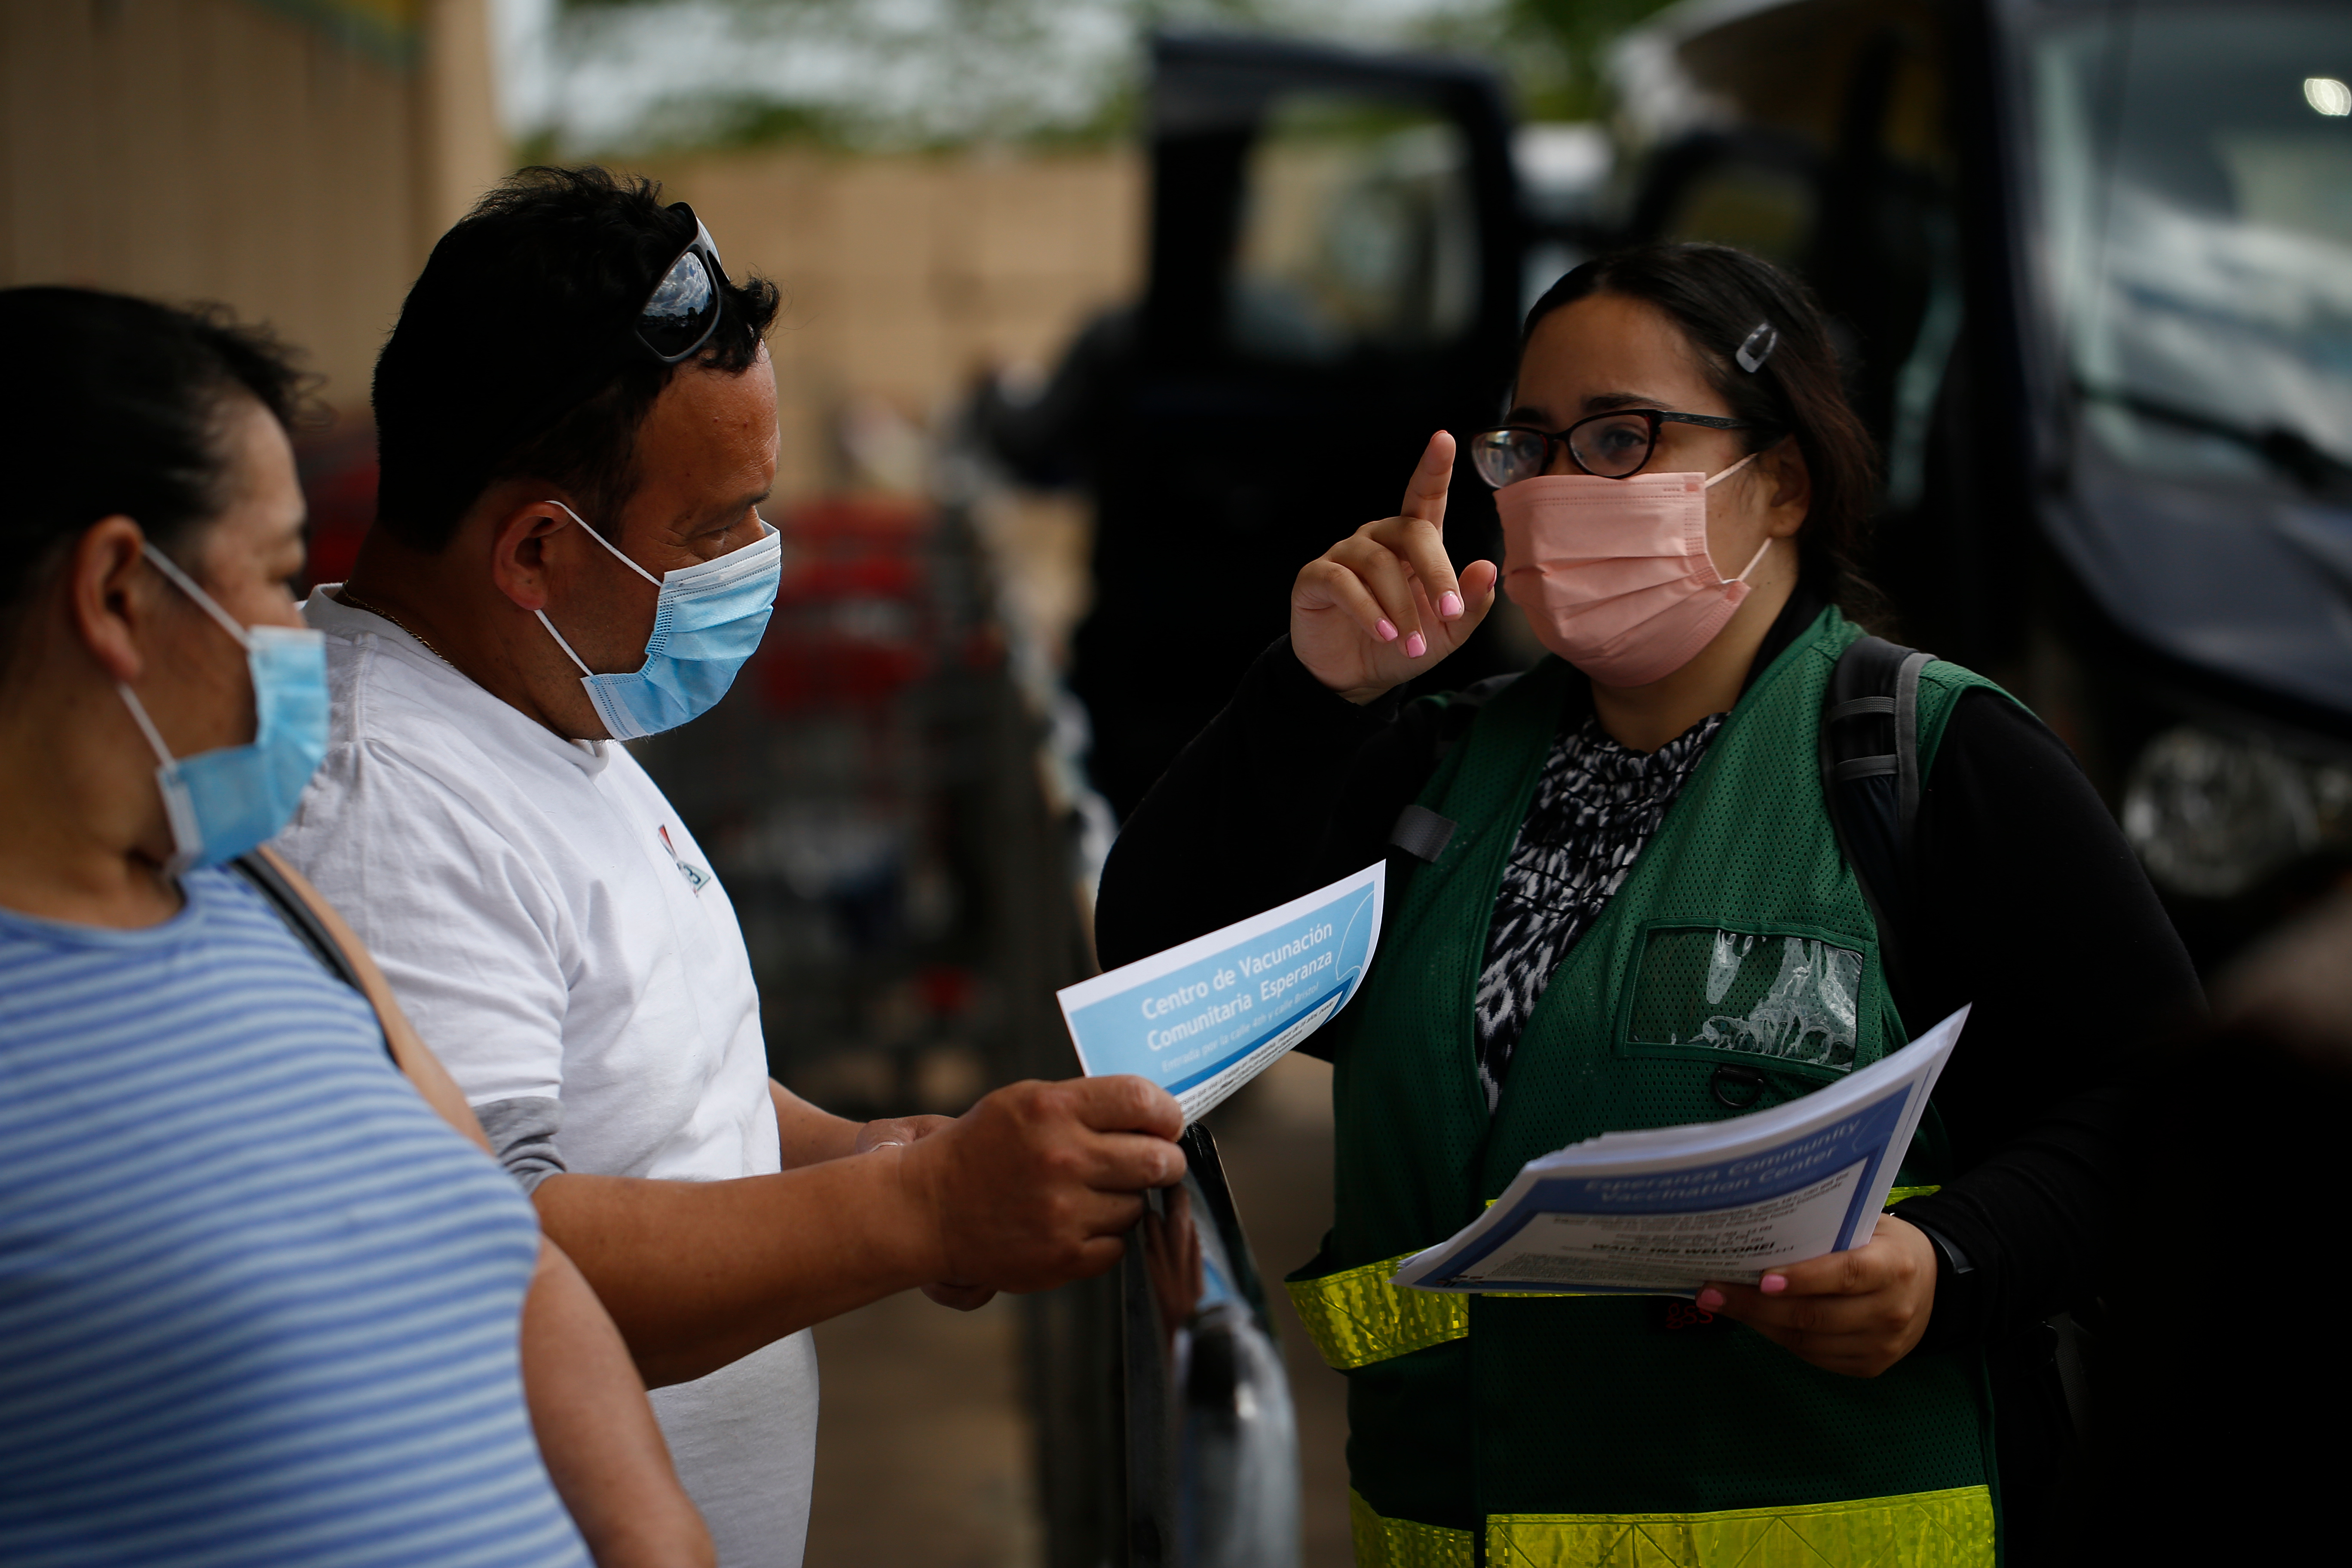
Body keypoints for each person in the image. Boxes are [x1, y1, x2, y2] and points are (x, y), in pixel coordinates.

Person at [1093, 243, 2203, 1566]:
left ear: (1781, 480)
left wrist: (1951, 1265)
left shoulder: (1934, 761)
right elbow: (1158, 998)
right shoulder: (1437, 766)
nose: (1562, 486)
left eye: (1622, 438)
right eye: (1534, 445)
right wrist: (1312, 696)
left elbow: (2172, 1111)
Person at [273, 166, 1187, 1568]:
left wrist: (881, 1158)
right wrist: (911, 1211)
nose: (759, 558)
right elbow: (487, 1259)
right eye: (714, 528)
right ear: (534, 548)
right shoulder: (385, 800)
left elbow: (654, 1074)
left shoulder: (542, 700)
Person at [0, 286, 711, 1566]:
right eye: (278, 580)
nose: (304, 633)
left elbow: (519, 1259)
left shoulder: (262, 897)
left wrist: (659, 1544)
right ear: (117, 592)